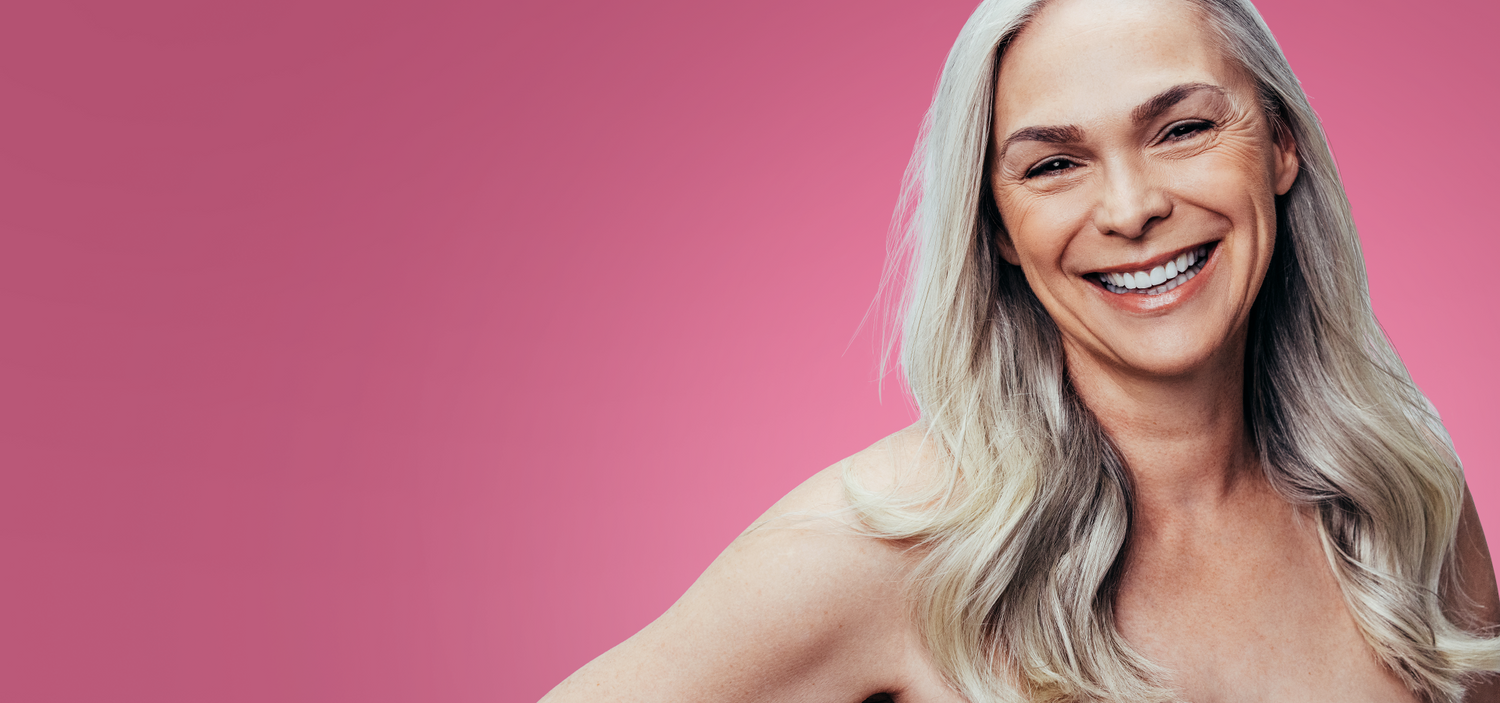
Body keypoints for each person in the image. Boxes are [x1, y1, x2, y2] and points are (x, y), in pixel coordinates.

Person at [540, 0, 1500, 699]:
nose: (1131, 209)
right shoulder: (887, 544)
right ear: (998, 225)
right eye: (1052, 164)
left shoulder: (1402, 499)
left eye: (1184, 129)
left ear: (1280, 146)